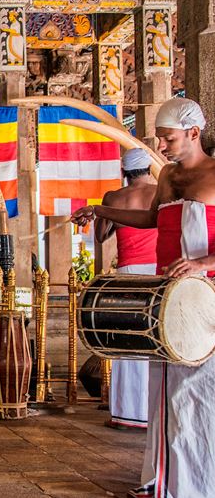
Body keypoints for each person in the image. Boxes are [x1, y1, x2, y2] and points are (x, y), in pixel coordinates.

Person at [72, 97, 215, 498]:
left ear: (193, 133)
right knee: (166, 390)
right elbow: (154, 219)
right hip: (168, 294)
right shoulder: (167, 176)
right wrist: (101, 209)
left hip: (203, 296)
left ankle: (198, 483)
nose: (163, 145)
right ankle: (166, 478)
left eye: (168, 138)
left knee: (197, 390)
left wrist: (203, 263)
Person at [94, 148, 158, 430]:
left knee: (126, 340)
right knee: (155, 340)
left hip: (128, 272)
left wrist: (113, 217)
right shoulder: (160, 193)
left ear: (124, 172)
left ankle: (126, 413)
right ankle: (153, 412)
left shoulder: (113, 198)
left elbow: (100, 235)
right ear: (148, 169)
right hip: (158, 272)